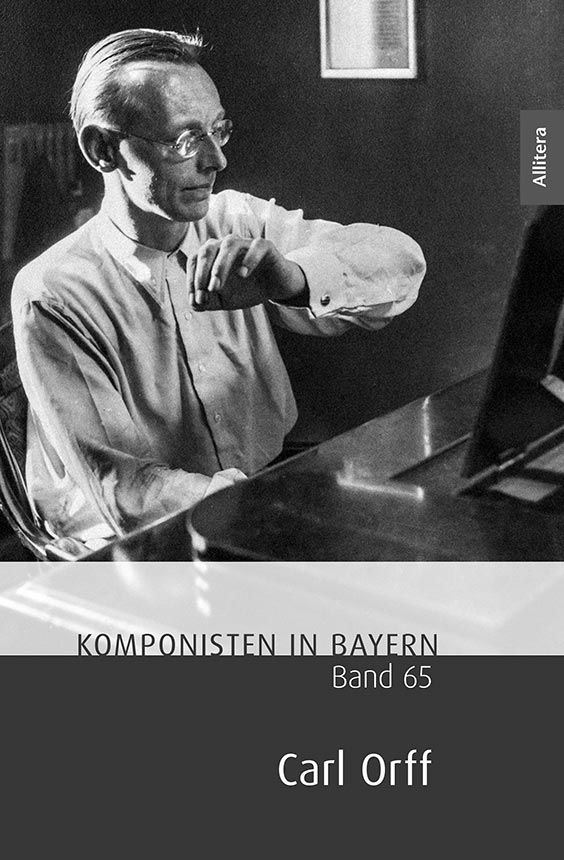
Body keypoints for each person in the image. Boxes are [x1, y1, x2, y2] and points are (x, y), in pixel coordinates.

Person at [12, 28, 426, 549]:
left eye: (217, 130)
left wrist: (294, 280)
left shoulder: (235, 219)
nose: (216, 160)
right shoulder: (52, 291)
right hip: (130, 545)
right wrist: (266, 510)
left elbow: (401, 261)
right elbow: (124, 488)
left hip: (257, 489)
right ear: (102, 149)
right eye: (185, 140)